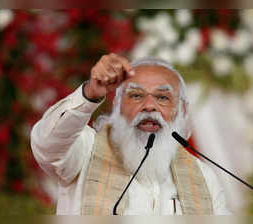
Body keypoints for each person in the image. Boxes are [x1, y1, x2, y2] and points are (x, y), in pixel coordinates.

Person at [31, 53, 231, 215]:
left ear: (183, 111)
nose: (149, 106)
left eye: (162, 97)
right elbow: (47, 145)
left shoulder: (204, 177)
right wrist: (90, 93)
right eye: (136, 95)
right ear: (117, 105)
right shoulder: (85, 151)